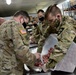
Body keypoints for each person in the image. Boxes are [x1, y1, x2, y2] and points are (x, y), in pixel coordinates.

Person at [0, 10, 40, 75]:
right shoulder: (16, 24)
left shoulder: (3, 25)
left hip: (3, 67)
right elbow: (20, 50)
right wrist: (34, 57)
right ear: (21, 18)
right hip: (12, 69)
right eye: (25, 23)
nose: (25, 26)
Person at [37, 4, 76, 70]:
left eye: (51, 21)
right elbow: (44, 36)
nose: (50, 24)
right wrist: (39, 51)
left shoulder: (68, 26)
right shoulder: (55, 23)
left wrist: (47, 65)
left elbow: (61, 48)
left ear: (58, 16)